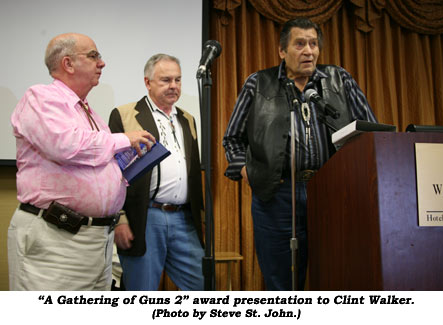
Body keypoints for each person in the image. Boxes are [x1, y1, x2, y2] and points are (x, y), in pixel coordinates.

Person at [223, 18, 378, 290]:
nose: (309, 51)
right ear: (282, 51)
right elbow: (233, 138)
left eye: (313, 44)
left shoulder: (339, 80)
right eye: (300, 44)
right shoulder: (257, 84)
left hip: (333, 194)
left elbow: (371, 132)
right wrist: (247, 171)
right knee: (280, 283)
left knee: (336, 275)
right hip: (276, 195)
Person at [8, 33, 154, 291]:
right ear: (68, 64)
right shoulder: (40, 98)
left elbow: (96, 157)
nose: (102, 63)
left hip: (97, 242)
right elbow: (65, 145)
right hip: (56, 241)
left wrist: (128, 159)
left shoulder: (89, 112)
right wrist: (123, 139)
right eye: (94, 56)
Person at [108, 53, 204, 290]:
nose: (174, 86)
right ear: (147, 82)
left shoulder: (187, 118)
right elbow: (111, 172)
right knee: (142, 290)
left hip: (184, 219)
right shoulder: (125, 114)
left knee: (202, 285)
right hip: (145, 217)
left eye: (178, 80)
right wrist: (119, 219)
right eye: (166, 80)